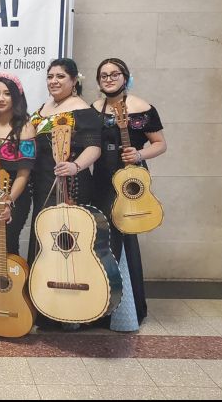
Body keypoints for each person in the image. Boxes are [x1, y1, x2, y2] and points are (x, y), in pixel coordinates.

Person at [28, 58, 102, 330]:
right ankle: (44, 304)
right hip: (43, 183)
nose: (54, 81)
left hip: (71, 184)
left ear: (74, 81)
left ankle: (73, 308)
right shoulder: (43, 109)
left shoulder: (82, 110)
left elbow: (94, 147)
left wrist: (75, 165)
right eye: (50, 76)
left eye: (60, 76)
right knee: (44, 240)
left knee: (69, 243)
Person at [91, 58, 167, 325]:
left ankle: (126, 310)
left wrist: (139, 153)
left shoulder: (143, 108)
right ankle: (99, 308)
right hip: (100, 180)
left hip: (130, 180)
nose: (109, 79)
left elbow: (160, 144)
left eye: (114, 74)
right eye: (103, 75)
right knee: (100, 238)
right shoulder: (93, 109)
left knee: (124, 238)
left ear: (125, 77)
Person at [0, 72, 36, 259]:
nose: (0, 98)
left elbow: (24, 173)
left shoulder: (26, 127)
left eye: (6, 93)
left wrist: (8, 201)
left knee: (8, 243)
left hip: (15, 194)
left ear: (16, 96)